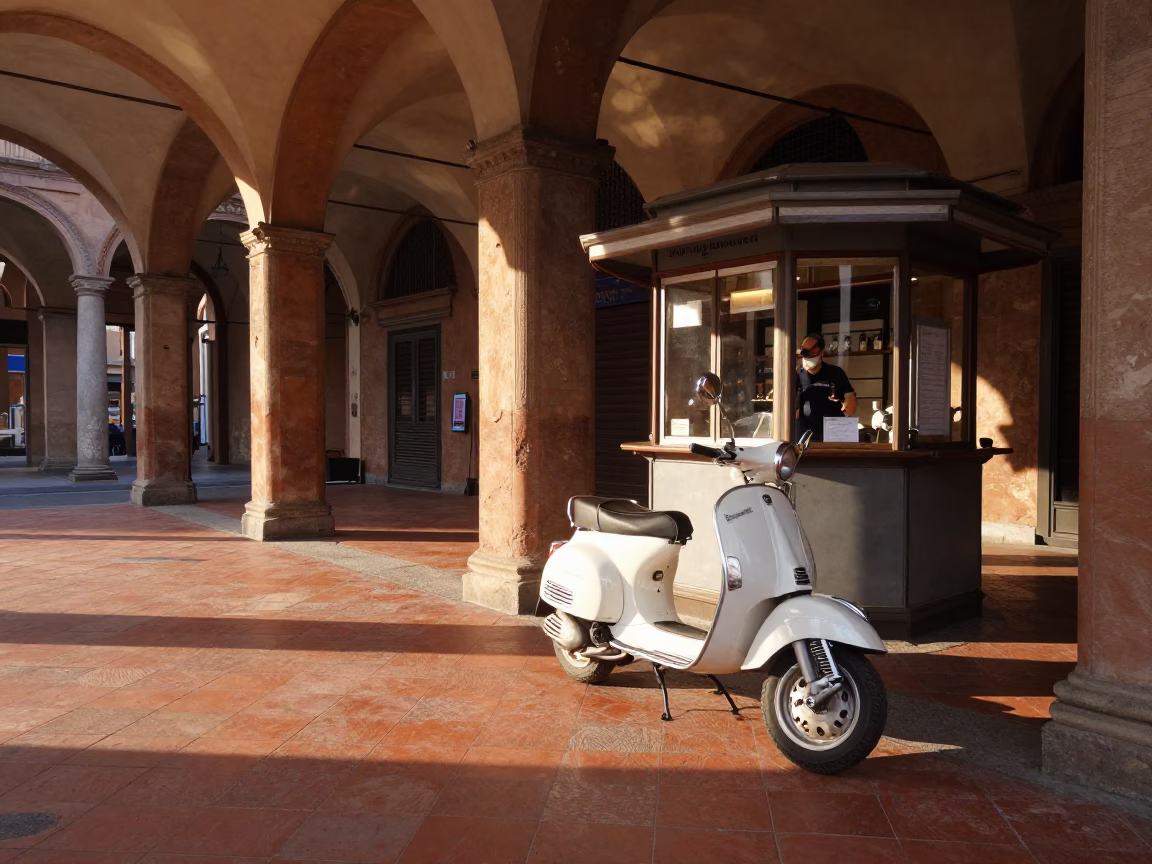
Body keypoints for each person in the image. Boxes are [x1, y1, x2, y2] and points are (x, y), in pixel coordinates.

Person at [795, 333, 856, 442]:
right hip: (806, 433)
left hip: (833, 431)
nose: (808, 358)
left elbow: (850, 398)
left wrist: (848, 403)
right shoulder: (797, 375)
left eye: (812, 354)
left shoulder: (836, 373)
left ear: (821, 354)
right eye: (805, 354)